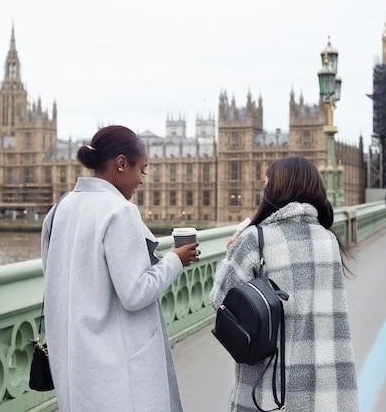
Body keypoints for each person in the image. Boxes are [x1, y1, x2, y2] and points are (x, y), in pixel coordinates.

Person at [41, 125, 199, 412]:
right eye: (142, 169)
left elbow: (54, 276)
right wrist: (175, 260)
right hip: (118, 369)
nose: (141, 180)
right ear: (121, 163)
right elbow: (135, 293)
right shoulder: (119, 211)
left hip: (74, 360)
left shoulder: (60, 208)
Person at [210, 156, 358, 412]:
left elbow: (220, 301)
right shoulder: (329, 240)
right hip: (326, 389)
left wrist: (233, 248)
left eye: (266, 185)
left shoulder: (255, 239)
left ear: (278, 189)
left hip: (272, 391)